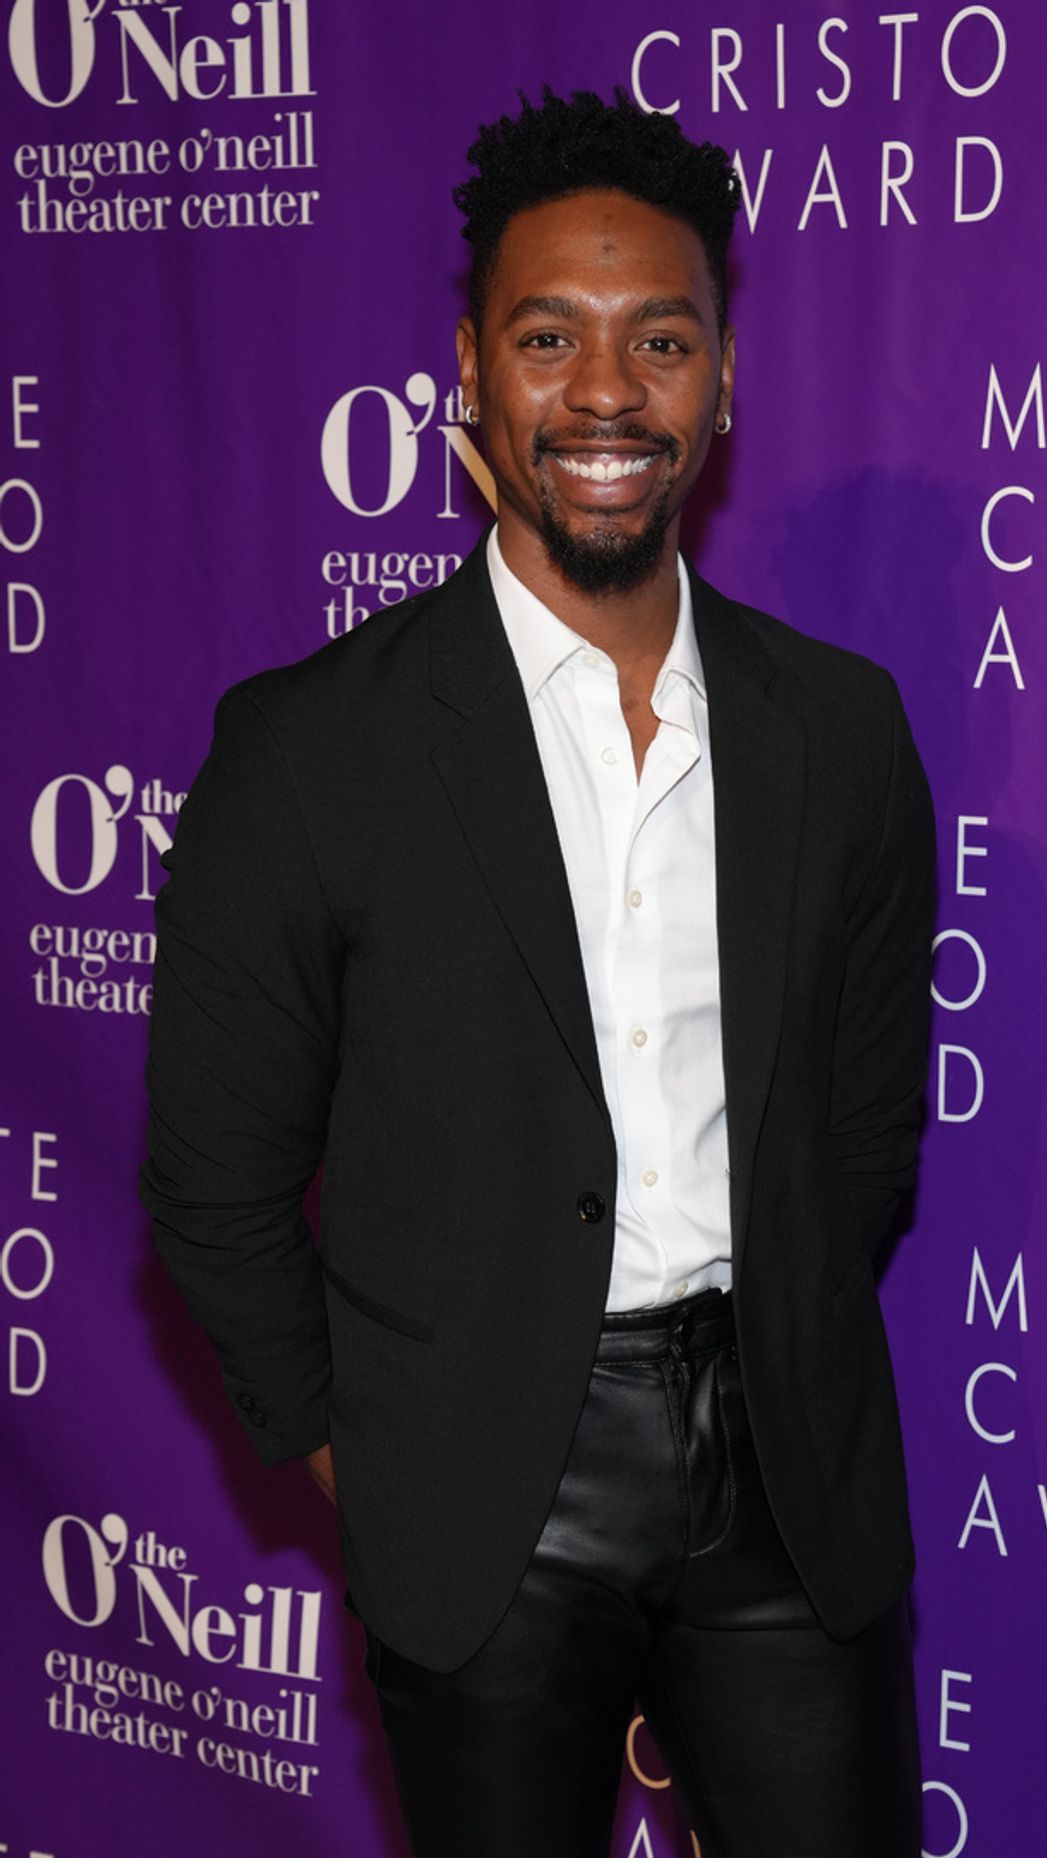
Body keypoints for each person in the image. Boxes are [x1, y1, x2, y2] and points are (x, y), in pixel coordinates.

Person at [141, 86, 935, 1858]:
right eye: (548, 338)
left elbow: (870, 1132)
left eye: (659, 340)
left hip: (788, 1477)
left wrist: (784, 1343)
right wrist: (390, 1464)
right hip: (484, 1485)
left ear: (722, 382)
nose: (604, 393)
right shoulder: (309, 754)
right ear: (472, 379)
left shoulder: (843, 734)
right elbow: (213, 1188)